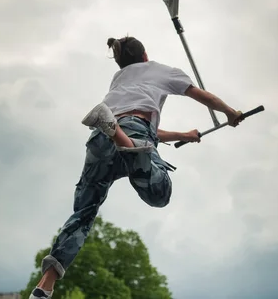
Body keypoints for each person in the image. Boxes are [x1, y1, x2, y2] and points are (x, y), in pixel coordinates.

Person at [29, 36, 243, 299]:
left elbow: (143, 129)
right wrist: (230, 112)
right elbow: (201, 95)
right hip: (128, 133)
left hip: (101, 139)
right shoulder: (162, 70)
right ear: (145, 55)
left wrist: (183, 135)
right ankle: (119, 136)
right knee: (159, 193)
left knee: (83, 213)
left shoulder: (119, 78)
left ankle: (45, 286)